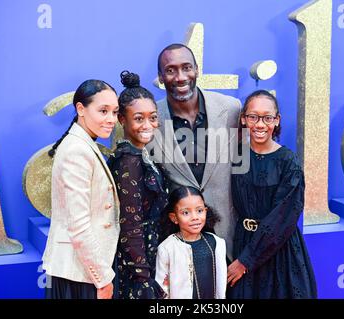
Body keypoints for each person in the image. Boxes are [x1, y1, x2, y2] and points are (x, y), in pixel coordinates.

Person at [148, 43, 242, 261]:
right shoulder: (149, 119)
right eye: (170, 70)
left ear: (197, 69)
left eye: (187, 67)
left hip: (228, 239)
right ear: (161, 77)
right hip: (175, 244)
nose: (180, 77)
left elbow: (244, 169)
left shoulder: (231, 109)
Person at [227, 90, 317, 299]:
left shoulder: (288, 162)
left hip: (280, 253)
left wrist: (245, 261)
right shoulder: (236, 155)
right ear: (243, 119)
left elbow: (283, 217)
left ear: (277, 121)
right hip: (241, 243)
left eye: (267, 118)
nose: (260, 124)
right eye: (253, 117)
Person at [42, 79, 120, 299]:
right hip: (79, 274)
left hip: (83, 270)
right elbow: (79, 226)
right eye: (103, 111)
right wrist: (103, 279)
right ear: (80, 109)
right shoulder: (77, 150)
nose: (111, 119)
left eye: (114, 112)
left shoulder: (83, 144)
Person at [107, 71, 167, 299]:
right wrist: (142, 277)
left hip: (149, 254)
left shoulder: (140, 154)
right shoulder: (128, 161)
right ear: (122, 119)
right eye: (138, 118)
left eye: (152, 117)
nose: (148, 124)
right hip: (135, 264)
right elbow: (129, 224)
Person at [156, 186, 227, 299]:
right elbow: (162, 290)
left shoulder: (217, 243)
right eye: (185, 213)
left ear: (206, 211)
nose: (195, 217)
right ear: (174, 217)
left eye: (199, 211)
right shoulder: (167, 248)